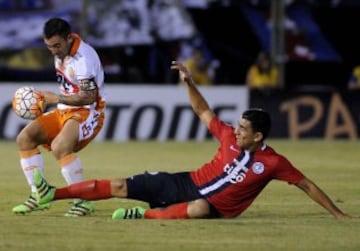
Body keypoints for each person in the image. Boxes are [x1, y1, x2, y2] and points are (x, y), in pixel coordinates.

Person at [33, 61, 353, 220]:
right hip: (184, 183)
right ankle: (53, 193)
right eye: (238, 126)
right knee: (119, 185)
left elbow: (307, 184)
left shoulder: (273, 163)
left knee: (199, 209)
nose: (236, 130)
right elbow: (203, 110)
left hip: (211, 207)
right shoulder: (227, 134)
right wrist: (188, 82)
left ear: (258, 136)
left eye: (243, 129)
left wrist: (338, 214)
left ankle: (144, 216)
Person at [12, 17, 106, 217]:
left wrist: (55, 97)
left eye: (56, 45)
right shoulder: (62, 52)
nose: (53, 51)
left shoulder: (84, 58)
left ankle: (83, 200)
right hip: (65, 110)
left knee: (60, 147)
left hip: (88, 111)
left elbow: (88, 96)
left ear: (69, 38)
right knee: (24, 138)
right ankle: (38, 195)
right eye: (49, 47)